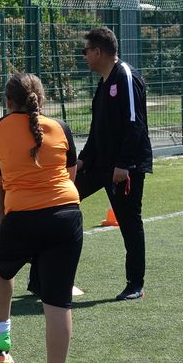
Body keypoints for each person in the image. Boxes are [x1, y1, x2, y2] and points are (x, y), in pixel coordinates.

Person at [0, 73, 82, 363]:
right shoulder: (60, 127)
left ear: (8, 102)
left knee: (1, 268)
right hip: (66, 216)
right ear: (42, 99)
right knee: (57, 302)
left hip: (22, 217)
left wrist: (3, 228)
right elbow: (71, 174)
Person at [72, 26, 153, 300]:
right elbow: (98, 130)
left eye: (85, 51)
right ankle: (43, 276)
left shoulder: (126, 77)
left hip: (123, 168)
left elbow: (135, 124)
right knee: (64, 200)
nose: (84, 57)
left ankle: (136, 284)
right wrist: (82, 161)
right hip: (99, 165)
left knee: (130, 223)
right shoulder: (104, 83)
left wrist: (124, 164)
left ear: (98, 51)